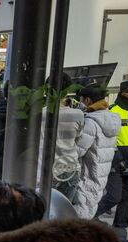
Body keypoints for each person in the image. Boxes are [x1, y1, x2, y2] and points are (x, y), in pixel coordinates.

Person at [94, 80, 128, 226]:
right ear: (124, 92)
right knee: (114, 196)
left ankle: (119, 228)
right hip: (117, 160)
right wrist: (117, 155)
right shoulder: (113, 111)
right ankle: (88, 216)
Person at [73, 85, 120, 220]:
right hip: (101, 174)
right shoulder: (112, 120)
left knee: (80, 213)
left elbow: (78, 151)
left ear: (87, 100)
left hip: (87, 173)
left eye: (81, 100)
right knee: (90, 207)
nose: (80, 103)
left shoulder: (91, 122)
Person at [46, 74, 85, 203]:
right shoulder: (78, 115)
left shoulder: (38, 113)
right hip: (69, 168)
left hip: (45, 170)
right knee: (64, 212)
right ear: (68, 91)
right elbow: (78, 138)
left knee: (43, 212)